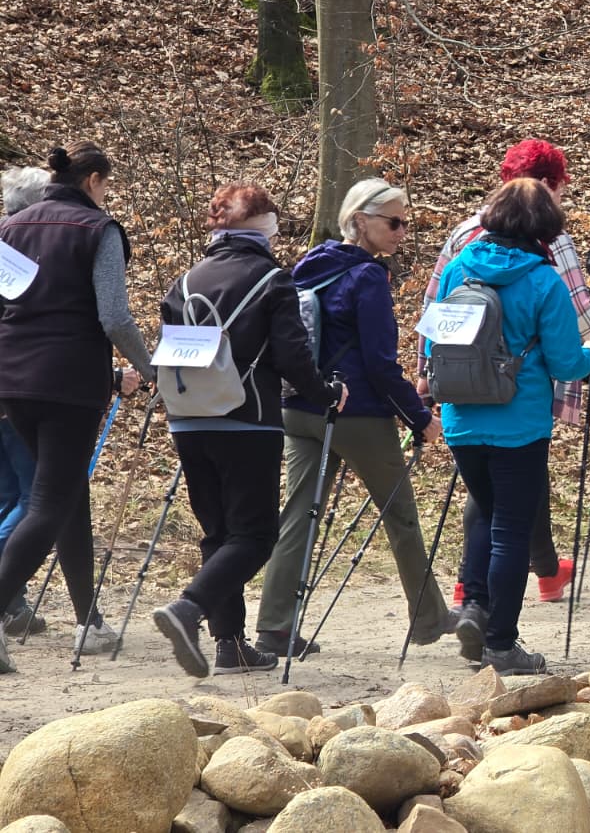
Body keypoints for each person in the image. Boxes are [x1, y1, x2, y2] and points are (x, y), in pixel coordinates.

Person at [419, 139, 590, 613]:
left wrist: (427, 380)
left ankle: (472, 601)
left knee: (486, 506)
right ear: (549, 190)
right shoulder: (546, 263)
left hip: (462, 408)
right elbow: (578, 324)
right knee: (510, 523)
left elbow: (433, 320)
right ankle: (499, 632)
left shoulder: (460, 249)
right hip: (520, 411)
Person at [150, 184, 347, 677]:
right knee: (255, 535)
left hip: (187, 419)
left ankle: (230, 645)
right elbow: (292, 356)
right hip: (247, 418)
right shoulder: (272, 280)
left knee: (219, 533)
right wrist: (326, 393)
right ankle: (189, 608)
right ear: (264, 226)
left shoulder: (184, 281)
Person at [253, 179, 450, 659]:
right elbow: (381, 365)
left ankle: (274, 627)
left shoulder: (306, 267)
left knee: (298, 515)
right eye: (394, 222)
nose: (402, 232)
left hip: (299, 407)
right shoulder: (368, 278)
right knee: (400, 514)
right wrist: (419, 417)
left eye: (406, 223)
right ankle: (429, 619)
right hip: (357, 414)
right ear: (360, 220)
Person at [0, 143, 152, 673]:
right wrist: (148, 366)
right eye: (107, 185)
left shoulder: (11, 228)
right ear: (92, 180)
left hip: (13, 380)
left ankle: (89, 621)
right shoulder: (98, 229)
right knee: (49, 502)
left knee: (67, 495)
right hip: (69, 382)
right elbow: (114, 316)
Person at [0, 167, 50, 636]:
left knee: (9, 498)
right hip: (14, 391)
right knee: (36, 498)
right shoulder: (19, 256)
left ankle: (13, 604)